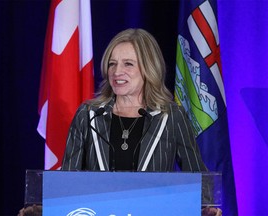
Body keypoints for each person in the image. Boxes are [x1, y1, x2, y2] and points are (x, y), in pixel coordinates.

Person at [61, 28, 221, 216]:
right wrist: (44, 207)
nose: (117, 72)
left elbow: (197, 176)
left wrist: (205, 208)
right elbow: (66, 182)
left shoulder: (170, 116)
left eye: (128, 64)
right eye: (112, 64)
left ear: (148, 68)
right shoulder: (88, 115)